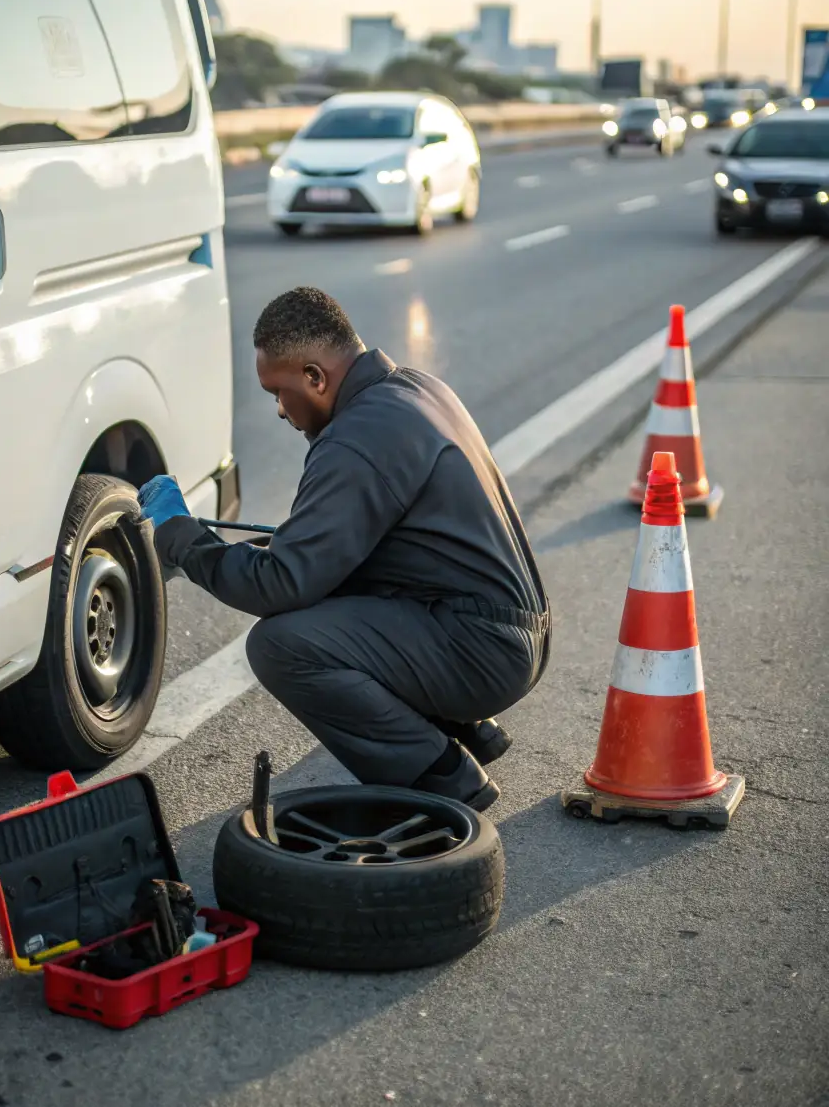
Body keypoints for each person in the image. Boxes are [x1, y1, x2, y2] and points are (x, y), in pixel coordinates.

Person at [139, 287, 550, 810]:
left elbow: (280, 583)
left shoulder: (357, 440)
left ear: (314, 377)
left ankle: (442, 778)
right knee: (328, 592)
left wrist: (179, 535)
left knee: (281, 644)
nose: (280, 411)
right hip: (509, 629)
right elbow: (331, 548)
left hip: (484, 652)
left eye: (278, 392)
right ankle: (467, 729)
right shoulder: (414, 389)